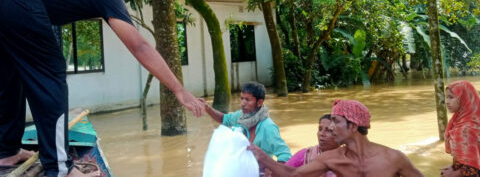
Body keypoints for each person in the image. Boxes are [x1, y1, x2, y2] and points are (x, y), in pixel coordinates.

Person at [0, 0, 204, 177]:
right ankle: (60, 167)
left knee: (11, 69)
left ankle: (6, 151)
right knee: (51, 73)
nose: (120, 4)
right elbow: (139, 46)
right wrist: (179, 90)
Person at [248, 99, 424, 177]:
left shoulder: (393, 158)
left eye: (336, 121)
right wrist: (262, 156)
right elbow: (293, 174)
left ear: (353, 126)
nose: (330, 128)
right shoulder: (331, 158)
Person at [201, 82, 291, 169]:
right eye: (242, 98)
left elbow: (285, 155)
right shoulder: (239, 116)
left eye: (247, 100)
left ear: (259, 102)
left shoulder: (268, 127)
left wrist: (272, 172)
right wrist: (207, 108)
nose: (242, 104)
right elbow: (223, 119)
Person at [441, 80, 480, 177]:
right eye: (446, 97)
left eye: (451, 97)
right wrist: (455, 166)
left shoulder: (466, 129)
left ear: (463, 98)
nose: (447, 102)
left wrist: (455, 173)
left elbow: (474, 169)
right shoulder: (462, 121)